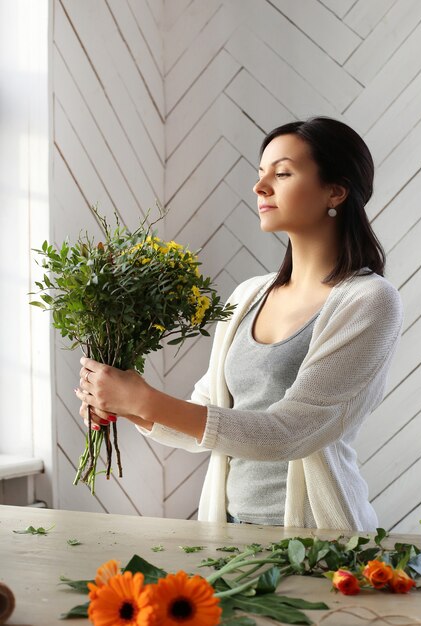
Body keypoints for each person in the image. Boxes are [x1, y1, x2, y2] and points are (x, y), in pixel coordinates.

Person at [75, 116, 404, 531]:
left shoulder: (370, 301)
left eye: (282, 173)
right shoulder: (250, 294)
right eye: (260, 173)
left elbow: (291, 433)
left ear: (335, 191)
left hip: (318, 541)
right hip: (228, 530)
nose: (260, 186)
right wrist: (125, 405)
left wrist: (145, 401)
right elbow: (210, 416)